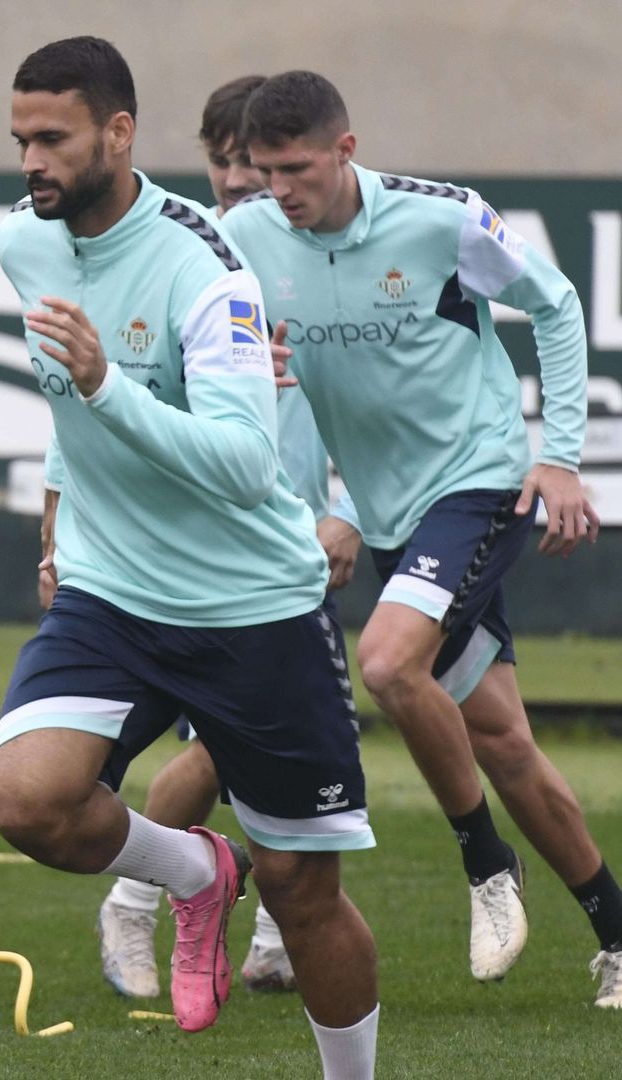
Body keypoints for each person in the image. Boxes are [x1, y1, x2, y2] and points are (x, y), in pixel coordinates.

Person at [0, 37, 377, 1077]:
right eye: (21, 137)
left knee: (302, 889)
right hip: (112, 594)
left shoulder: (207, 268)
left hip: (251, 608)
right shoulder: (25, 246)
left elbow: (250, 465)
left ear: (118, 134)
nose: (32, 160)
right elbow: (69, 414)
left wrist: (114, 383)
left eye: (53, 138)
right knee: (29, 800)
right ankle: (194, 870)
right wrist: (58, 526)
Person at [223, 70, 621, 1004]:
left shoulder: (439, 222)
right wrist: (245, 355)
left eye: (297, 169)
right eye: (263, 172)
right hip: (390, 514)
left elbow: (557, 306)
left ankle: (487, 865)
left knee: (391, 665)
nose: (280, 190)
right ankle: (617, 933)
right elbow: (210, 337)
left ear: (346, 150)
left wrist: (558, 458)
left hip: (477, 483)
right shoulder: (246, 237)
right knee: (505, 742)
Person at [92, 72, 355, 999]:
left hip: (285, 547)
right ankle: (134, 901)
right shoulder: (185, 268)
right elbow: (93, 403)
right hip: (185, 557)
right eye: (232, 168)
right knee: (217, 752)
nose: (254, 188)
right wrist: (57, 533)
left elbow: (356, 400)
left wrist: (345, 512)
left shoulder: (306, 263)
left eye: (267, 169)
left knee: (273, 749)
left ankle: (276, 928)